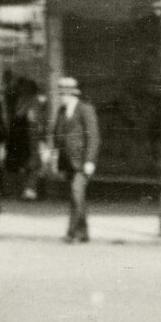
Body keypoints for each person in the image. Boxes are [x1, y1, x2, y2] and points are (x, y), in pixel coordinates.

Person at [49, 76, 100, 244]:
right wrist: (54, 156)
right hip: (68, 162)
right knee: (76, 195)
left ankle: (72, 233)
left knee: (76, 193)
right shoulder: (61, 112)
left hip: (83, 162)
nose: (62, 96)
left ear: (73, 94)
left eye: (65, 93)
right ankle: (83, 232)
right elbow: (56, 135)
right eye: (61, 93)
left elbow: (93, 137)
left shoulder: (85, 109)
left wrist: (90, 161)